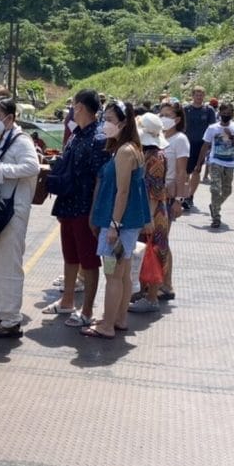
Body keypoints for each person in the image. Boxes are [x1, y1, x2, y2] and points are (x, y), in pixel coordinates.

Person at [43, 89, 110, 329]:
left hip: (85, 208)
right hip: (69, 204)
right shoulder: (76, 135)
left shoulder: (98, 138)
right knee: (70, 256)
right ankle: (67, 300)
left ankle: (88, 310)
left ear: (79, 107)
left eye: (73, 105)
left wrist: (94, 213)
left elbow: (99, 180)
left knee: (89, 261)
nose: (71, 109)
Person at [82, 101, 148, 340]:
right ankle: (119, 318)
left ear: (123, 122)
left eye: (109, 119)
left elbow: (122, 192)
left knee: (112, 274)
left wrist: (113, 226)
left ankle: (107, 325)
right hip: (127, 225)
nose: (105, 124)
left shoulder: (124, 152)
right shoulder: (133, 148)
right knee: (124, 272)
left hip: (119, 226)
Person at [0, 95, 40, 338]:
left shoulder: (21, 140)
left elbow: (32, 167)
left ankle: (11, 318)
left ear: (10, 118)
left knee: (9, 265)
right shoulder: (0, 139)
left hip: (13, 211)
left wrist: (0, 169)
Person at [130, 113, 169, 314]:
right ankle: (145, 294)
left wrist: (147, 219)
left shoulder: (155, 158)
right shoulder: (149, 154)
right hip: (148, 211)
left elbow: (154, 192)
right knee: (148, 252)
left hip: (153, 212)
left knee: (152, 251)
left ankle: (152, 297)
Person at [157, 102, 188, 303]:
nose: (163, 118)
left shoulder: (180, 140)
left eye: (168, 115)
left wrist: (178, 200)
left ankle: (166, 284)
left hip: (168, 196)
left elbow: (181, 172)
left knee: (162, 240)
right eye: (161, 114)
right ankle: (155, 281)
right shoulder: (159, 138)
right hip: (155, 194)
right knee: (155, 238)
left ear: (177, 119)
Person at [199, 104, 234, 228]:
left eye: (229, 113)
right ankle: (216, 216)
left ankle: (214, 205)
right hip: (215, 161)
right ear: (219, 113)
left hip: (230, 163)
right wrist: (199, 164)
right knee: (215, 188)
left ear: (232, 114)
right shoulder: (212, 128)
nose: (226, 115)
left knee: (227, 190)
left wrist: (231, 136)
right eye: (224, 112)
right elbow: (205, 145)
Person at [182, 86, 216, 210]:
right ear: (193, 96)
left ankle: (190, 196)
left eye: (201, 95)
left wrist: (211, 145)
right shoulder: (186, 109)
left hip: (201, 145)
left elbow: (213, 128)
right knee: (185, 171)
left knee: (197, 170)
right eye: (197, 95)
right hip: (186, 143)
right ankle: (183, 194)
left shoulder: (209, 110)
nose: (199, 97)